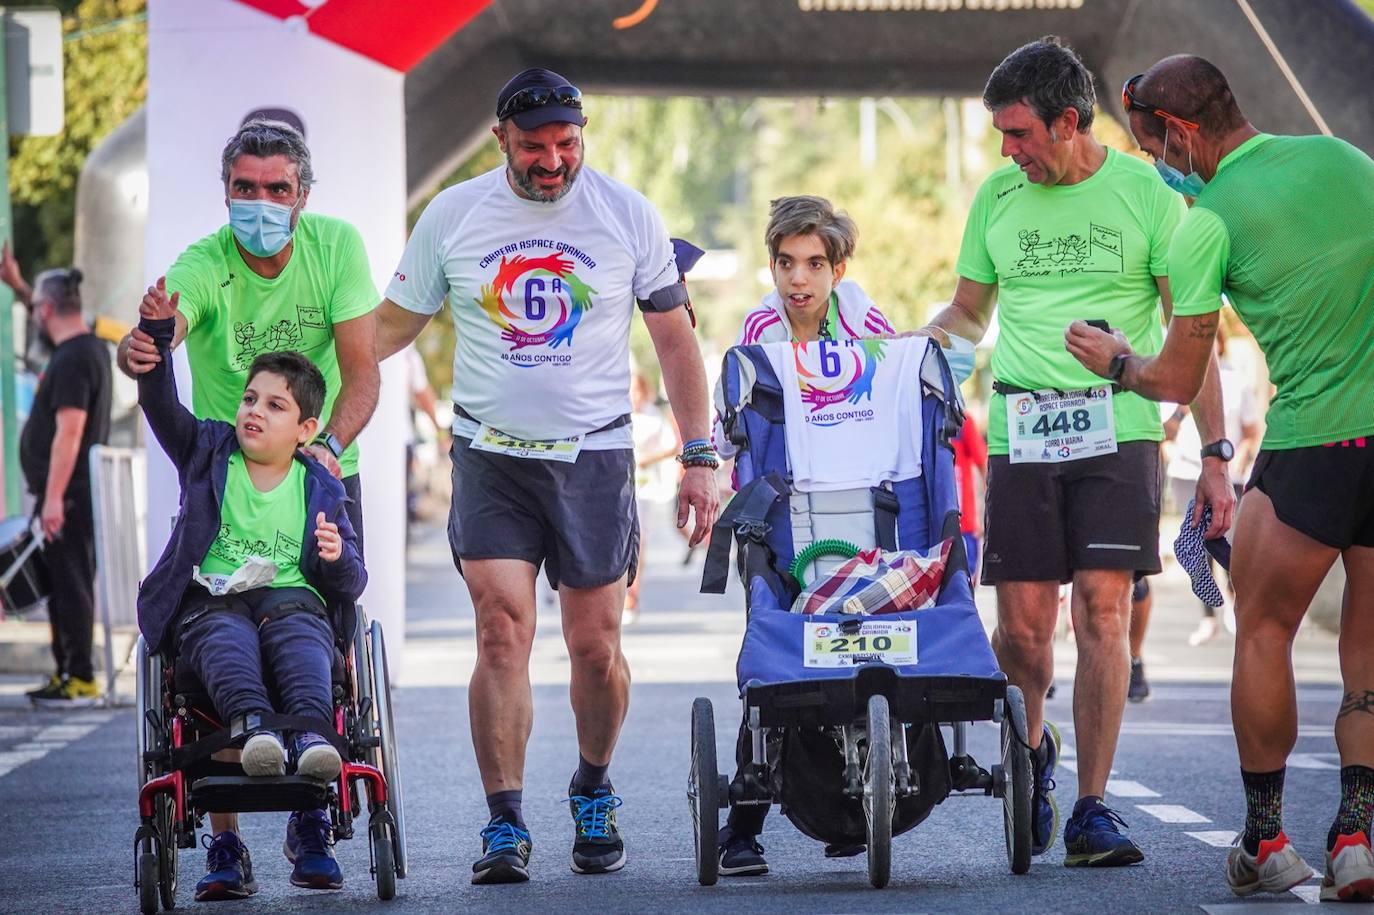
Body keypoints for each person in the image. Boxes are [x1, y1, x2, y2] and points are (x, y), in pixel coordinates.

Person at [371, 67, 719, 884]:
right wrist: (300, 376)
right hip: (490, 456)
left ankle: (593, 787)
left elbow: (674, 342)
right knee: (500, 631)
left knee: (595, 648)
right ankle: (505, 820)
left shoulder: (626, 212)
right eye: (535, 147)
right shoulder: (453, 215)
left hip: (594, 457)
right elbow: (388, 328)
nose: (554, 161)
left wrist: (699, 455)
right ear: (500, 139)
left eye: (568, 143)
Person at [917, 36, 1235, 868]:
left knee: (1100, 607)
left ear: (1067, 122)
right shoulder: (997, 197)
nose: (1006, 151)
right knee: (1020, 632)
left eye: (1019, 134)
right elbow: (967, 315)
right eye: (1000, 136)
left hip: (1118, 426)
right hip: (1025, 429)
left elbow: (1192, 328)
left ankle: (1092, 806)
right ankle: (1033, 751)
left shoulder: (1149, 194)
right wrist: (904, 349)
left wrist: (1215, 454)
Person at [1065, 54, 1374, 901]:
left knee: (1264, 629)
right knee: (1369, 657)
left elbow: (1174, 375)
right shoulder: (1342, 158)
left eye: (1154, 145)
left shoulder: (1208, 220)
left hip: (1319, 445)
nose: (1158, 162)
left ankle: (1267, 841)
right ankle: (1357, 836)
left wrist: (1116, 360)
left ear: (1184, 133)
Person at [136, 278, 366, 900]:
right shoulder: (207, 452)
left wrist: (338, 556)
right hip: (213, 597)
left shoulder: (320, 486)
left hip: (292, 598)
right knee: (224, 635)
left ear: (306, 428)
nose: (254, 411)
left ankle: (315, 741)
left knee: (297, 632)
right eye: (249, 399)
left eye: (274, 406)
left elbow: (353, 581)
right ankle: (252, 735)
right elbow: (161, 406)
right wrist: (159, 337)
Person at [713, 194, 896, 876]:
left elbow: (898, 388)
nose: (799, 280)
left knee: (860, 646)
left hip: (855, 506)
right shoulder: (759, 326)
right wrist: (710, 476)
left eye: (814, 263)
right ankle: (743, 825)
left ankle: (856, 796)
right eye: (786, 263)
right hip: (781, 510)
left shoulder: (866, 319)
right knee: (778, 647)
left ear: (837, 268)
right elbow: (728, 414)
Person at [116, 119, 378, 545]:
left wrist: (329, 448)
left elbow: (362, 371)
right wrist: (142, 345)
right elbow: (161, 332)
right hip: (229, 476)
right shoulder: (203, 263)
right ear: (226, 195)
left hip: (320, 474)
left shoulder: (337, 247)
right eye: (245, 189)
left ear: (303, 197)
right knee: (217, 610)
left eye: (278, 190)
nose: (261, 203)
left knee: (331, 605)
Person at [7, 262, 111, 706]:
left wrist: (52, 498)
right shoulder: (83, 348)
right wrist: (18, 283)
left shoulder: (73, 358)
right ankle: (67, 669)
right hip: (64, 494)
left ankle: (80, 675)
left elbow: (69, 431)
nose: (33, 317)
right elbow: (46, 302)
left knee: (71, 583)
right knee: (59, 581)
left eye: (35, 310)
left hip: (67, 495)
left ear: (47, 311)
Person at [624, 371, 680, 625]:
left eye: (637, 390)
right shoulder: (618, 413)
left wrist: (647, 460)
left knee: (639, 541)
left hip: (645, 489)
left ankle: (632, 595)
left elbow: (671, 448)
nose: (634, 395)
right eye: (630, 390)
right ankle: (620, 591)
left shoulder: (653, 417)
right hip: (619, 486)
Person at [952, 409, 989, 584]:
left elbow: (984, 465)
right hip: (932, 528)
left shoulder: (961, 419)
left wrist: (988, 512)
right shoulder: (917, 413)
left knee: (966, 588)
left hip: (964, 527)